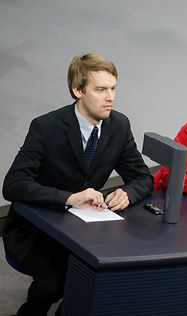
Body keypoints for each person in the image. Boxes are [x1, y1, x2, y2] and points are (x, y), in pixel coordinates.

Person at [2, 53, 153, 316]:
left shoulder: (118, 125)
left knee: (101, 279)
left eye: (113, 88)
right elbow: (13, 185)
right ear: (77, 90)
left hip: (83, 229)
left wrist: (127, 192)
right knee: (53, 283)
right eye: (101, 89)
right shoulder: (46, 127)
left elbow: (143, 177)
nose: (111, 97)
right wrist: (69, 198)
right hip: (37, 228)